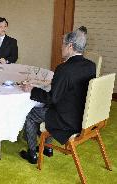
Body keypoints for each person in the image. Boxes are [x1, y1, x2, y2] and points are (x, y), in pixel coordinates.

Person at [19, 27, 96, 164]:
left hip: (67, 120)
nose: (61, 47)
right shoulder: (90, 66)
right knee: (48, 106)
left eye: (63, 44)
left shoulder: (64, 69)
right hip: (83, 116)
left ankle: (32, 154)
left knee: (31, 114)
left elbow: (52, 98)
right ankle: (47, 148)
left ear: (70, 46)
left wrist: (31, 89)